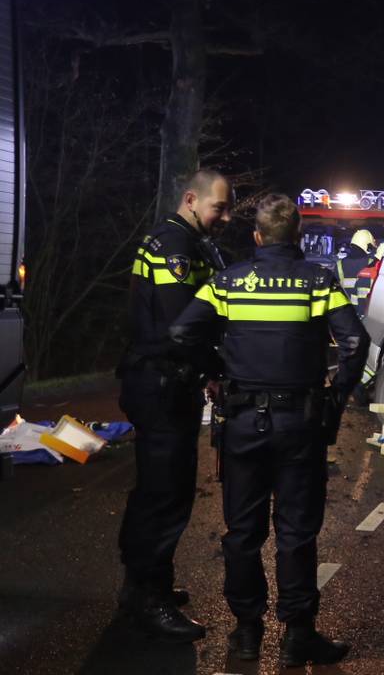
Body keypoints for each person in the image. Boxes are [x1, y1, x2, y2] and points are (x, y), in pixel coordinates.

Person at [170, 194, 370, 666]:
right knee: (296, 532)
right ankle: (298, 635)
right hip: (300, 424)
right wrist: (337, 396)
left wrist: (215, 370)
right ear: (297, 235)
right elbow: (355, 340)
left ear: (257, 236)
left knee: (242, 531)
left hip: (242, 424)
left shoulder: (228, 281)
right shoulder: (317, 282)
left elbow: (181, 333)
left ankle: (246, 632)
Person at [116, 169, 231, 642]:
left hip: (163, 384)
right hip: (162, 386)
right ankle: (150, 598)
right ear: (191, 199)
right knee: (166, 495)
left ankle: (142, 585)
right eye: (218, 207)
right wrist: (218, 368)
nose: (225, 216)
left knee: (158, 491)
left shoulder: (184, 241)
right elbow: (183, 328)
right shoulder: (176, 248)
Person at [336, 228, 376, 308]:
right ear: (366, 246)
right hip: (366, 309)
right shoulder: (372, 264)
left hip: (346, 311)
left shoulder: (339, 264)